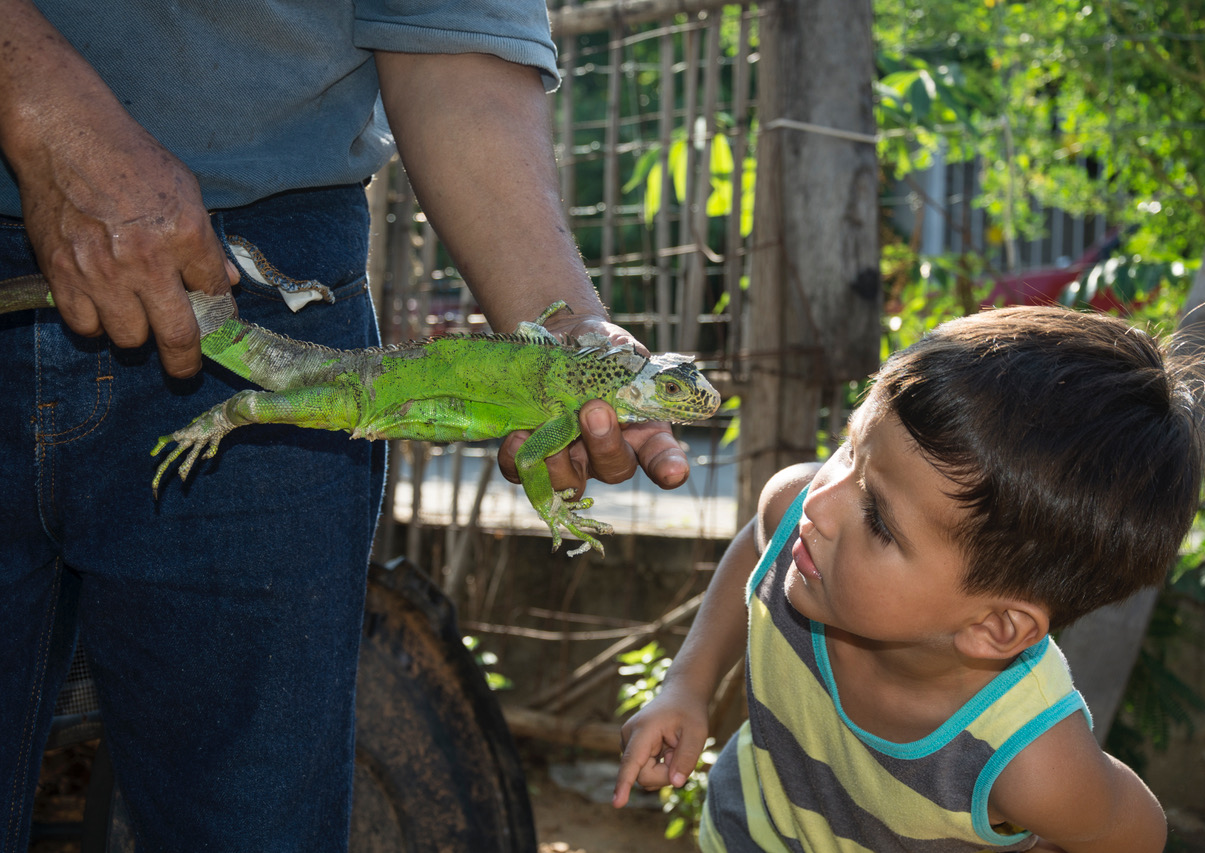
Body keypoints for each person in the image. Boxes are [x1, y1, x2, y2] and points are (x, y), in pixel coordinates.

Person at [0, 1, 690, 849]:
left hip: (271, 260)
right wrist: (40, 111)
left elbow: (453, 36)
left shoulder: (571, 394)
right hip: (213, 270)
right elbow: (544, 452)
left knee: (254, 820)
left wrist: (577, 323)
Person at [614, 306, 1205, 852]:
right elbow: (757, 549)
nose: (818, 504)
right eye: (849, 449)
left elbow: (1137, 833)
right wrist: (687, 686)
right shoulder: (795, 518)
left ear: (994, 626)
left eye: (878, 519)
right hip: (744, 830)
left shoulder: (1029, 759)